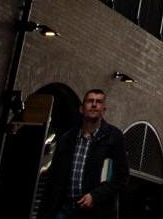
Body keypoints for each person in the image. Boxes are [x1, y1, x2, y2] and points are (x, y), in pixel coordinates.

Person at [41, 87, 127, 216]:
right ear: (81, 108)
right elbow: (55, 176)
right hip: (65, 207)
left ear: (103, 110)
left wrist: (96, 196)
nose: (93, 104)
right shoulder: (68, 138)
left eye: (98, 102)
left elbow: (121, 177)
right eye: (90, 101)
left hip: (95, 210)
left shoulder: (114, 137)